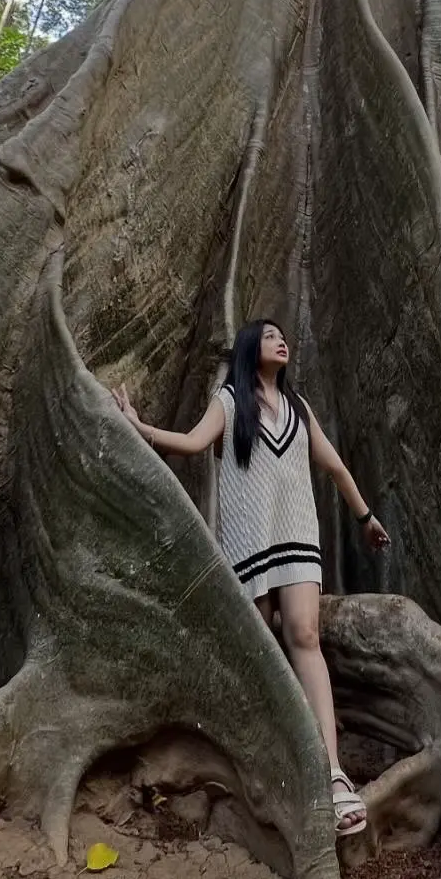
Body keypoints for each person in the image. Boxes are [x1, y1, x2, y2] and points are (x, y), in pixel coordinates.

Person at [112, 318, 390, 837]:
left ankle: (332, 775)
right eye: (267, 336)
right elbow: (193, 444)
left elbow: (334, 467)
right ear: (247, 349)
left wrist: (364, 516)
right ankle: (277, 773)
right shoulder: (230, 400)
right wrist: (138, 426)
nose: (280, 340)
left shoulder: (299, 409)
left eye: (282, 335)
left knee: (304, 634)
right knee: (261, 652)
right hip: (251, 545)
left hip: (299, 537)